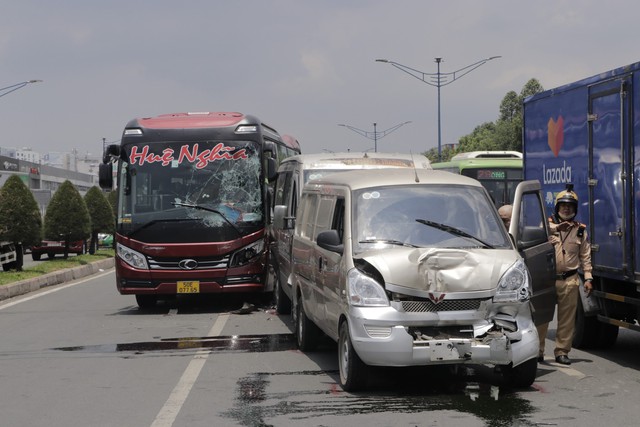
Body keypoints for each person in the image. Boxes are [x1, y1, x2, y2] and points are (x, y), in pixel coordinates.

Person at [536, 185, 593, 365]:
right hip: (548, 279)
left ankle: (562, 351)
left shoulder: (580, 230)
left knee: (567, 320)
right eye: (563, 206)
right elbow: (540, 234)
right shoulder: (546, 226)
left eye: (570, 206)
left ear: (575, 209)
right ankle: (537, 351)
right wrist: (555, 229)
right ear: (557, 207)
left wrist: (589, 277)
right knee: (542, 318)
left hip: (570, 279)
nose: (566, 209)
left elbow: (585, 255)